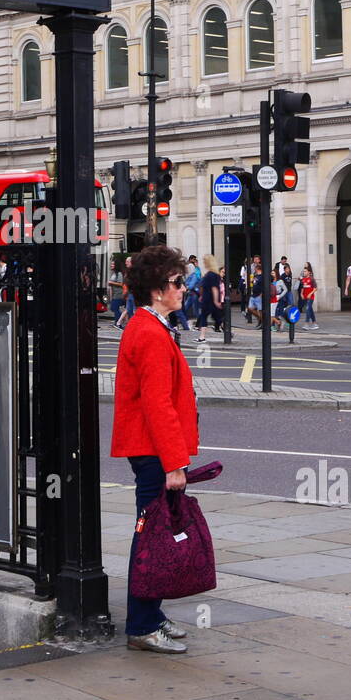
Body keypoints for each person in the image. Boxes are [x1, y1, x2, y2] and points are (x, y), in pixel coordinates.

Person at [111, 245, 199, 653]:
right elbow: (156, 402)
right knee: (150, 538)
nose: (184, 288)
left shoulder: (153, 325)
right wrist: (174, 462)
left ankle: (151, 614)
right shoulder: (147, 332)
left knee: (156, 534)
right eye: (177, 282)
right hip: (153, 452)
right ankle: (142, 625)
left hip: (152, 449)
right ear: (157, 289)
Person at [195, 255, 223, 343]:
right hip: (207, 298)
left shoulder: (211, 275)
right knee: (210, 317)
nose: (203, 263)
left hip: (209, 299)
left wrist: (215, 301)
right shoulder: (213, 274)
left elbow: (214, 288)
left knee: (214, 317)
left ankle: (226, 331)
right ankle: (202, 336)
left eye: (204, 261)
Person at [297, 264, 319, 330]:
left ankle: (306, 324)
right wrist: (301, 294)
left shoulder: (312, 279)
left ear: (309, 272)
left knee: (307, 309)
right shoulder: (303, 280)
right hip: (305, 297)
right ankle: (315, 323)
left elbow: (315, 288)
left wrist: (310, 294)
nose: (304, 272)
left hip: (310, 297)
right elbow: (302, 288)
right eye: (304, 271)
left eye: (305, 271)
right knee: (310, 310)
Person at [108, 258, 128, 326]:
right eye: (111, 264)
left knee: (114, 307)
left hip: (119, 294)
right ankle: (117, 322)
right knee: (114, 308)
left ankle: (118, 323)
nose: (111, 265)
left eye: (113, 264)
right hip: (115, 294)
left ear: (116, 265)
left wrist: (111, 282)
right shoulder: (114, 274)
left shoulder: (119, 274)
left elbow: (121, 284)